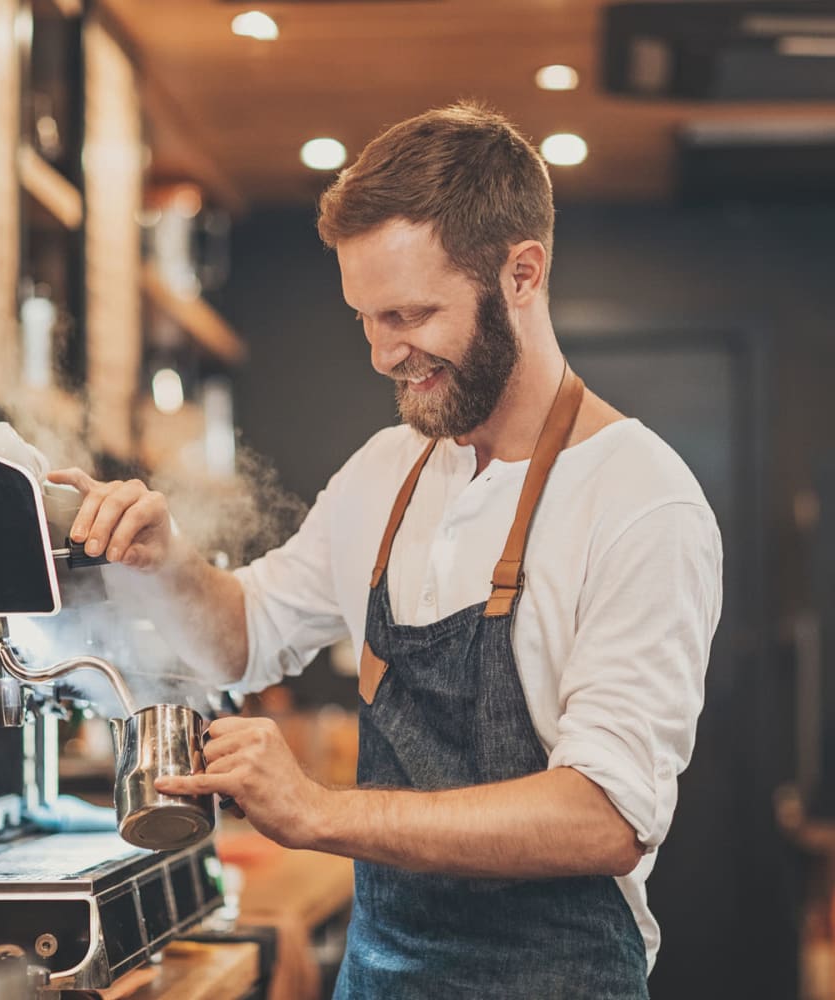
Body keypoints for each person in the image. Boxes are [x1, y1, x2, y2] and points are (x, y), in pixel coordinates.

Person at [50, 102, 722, 998]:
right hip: (381, 977)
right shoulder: (388, 471)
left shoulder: (641, 500)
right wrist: (166, 559)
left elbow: (605, 819)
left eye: (409, 314)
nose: (382, 353)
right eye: (365, 317)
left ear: (522, 273)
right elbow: (243, 638)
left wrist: (322, 813)